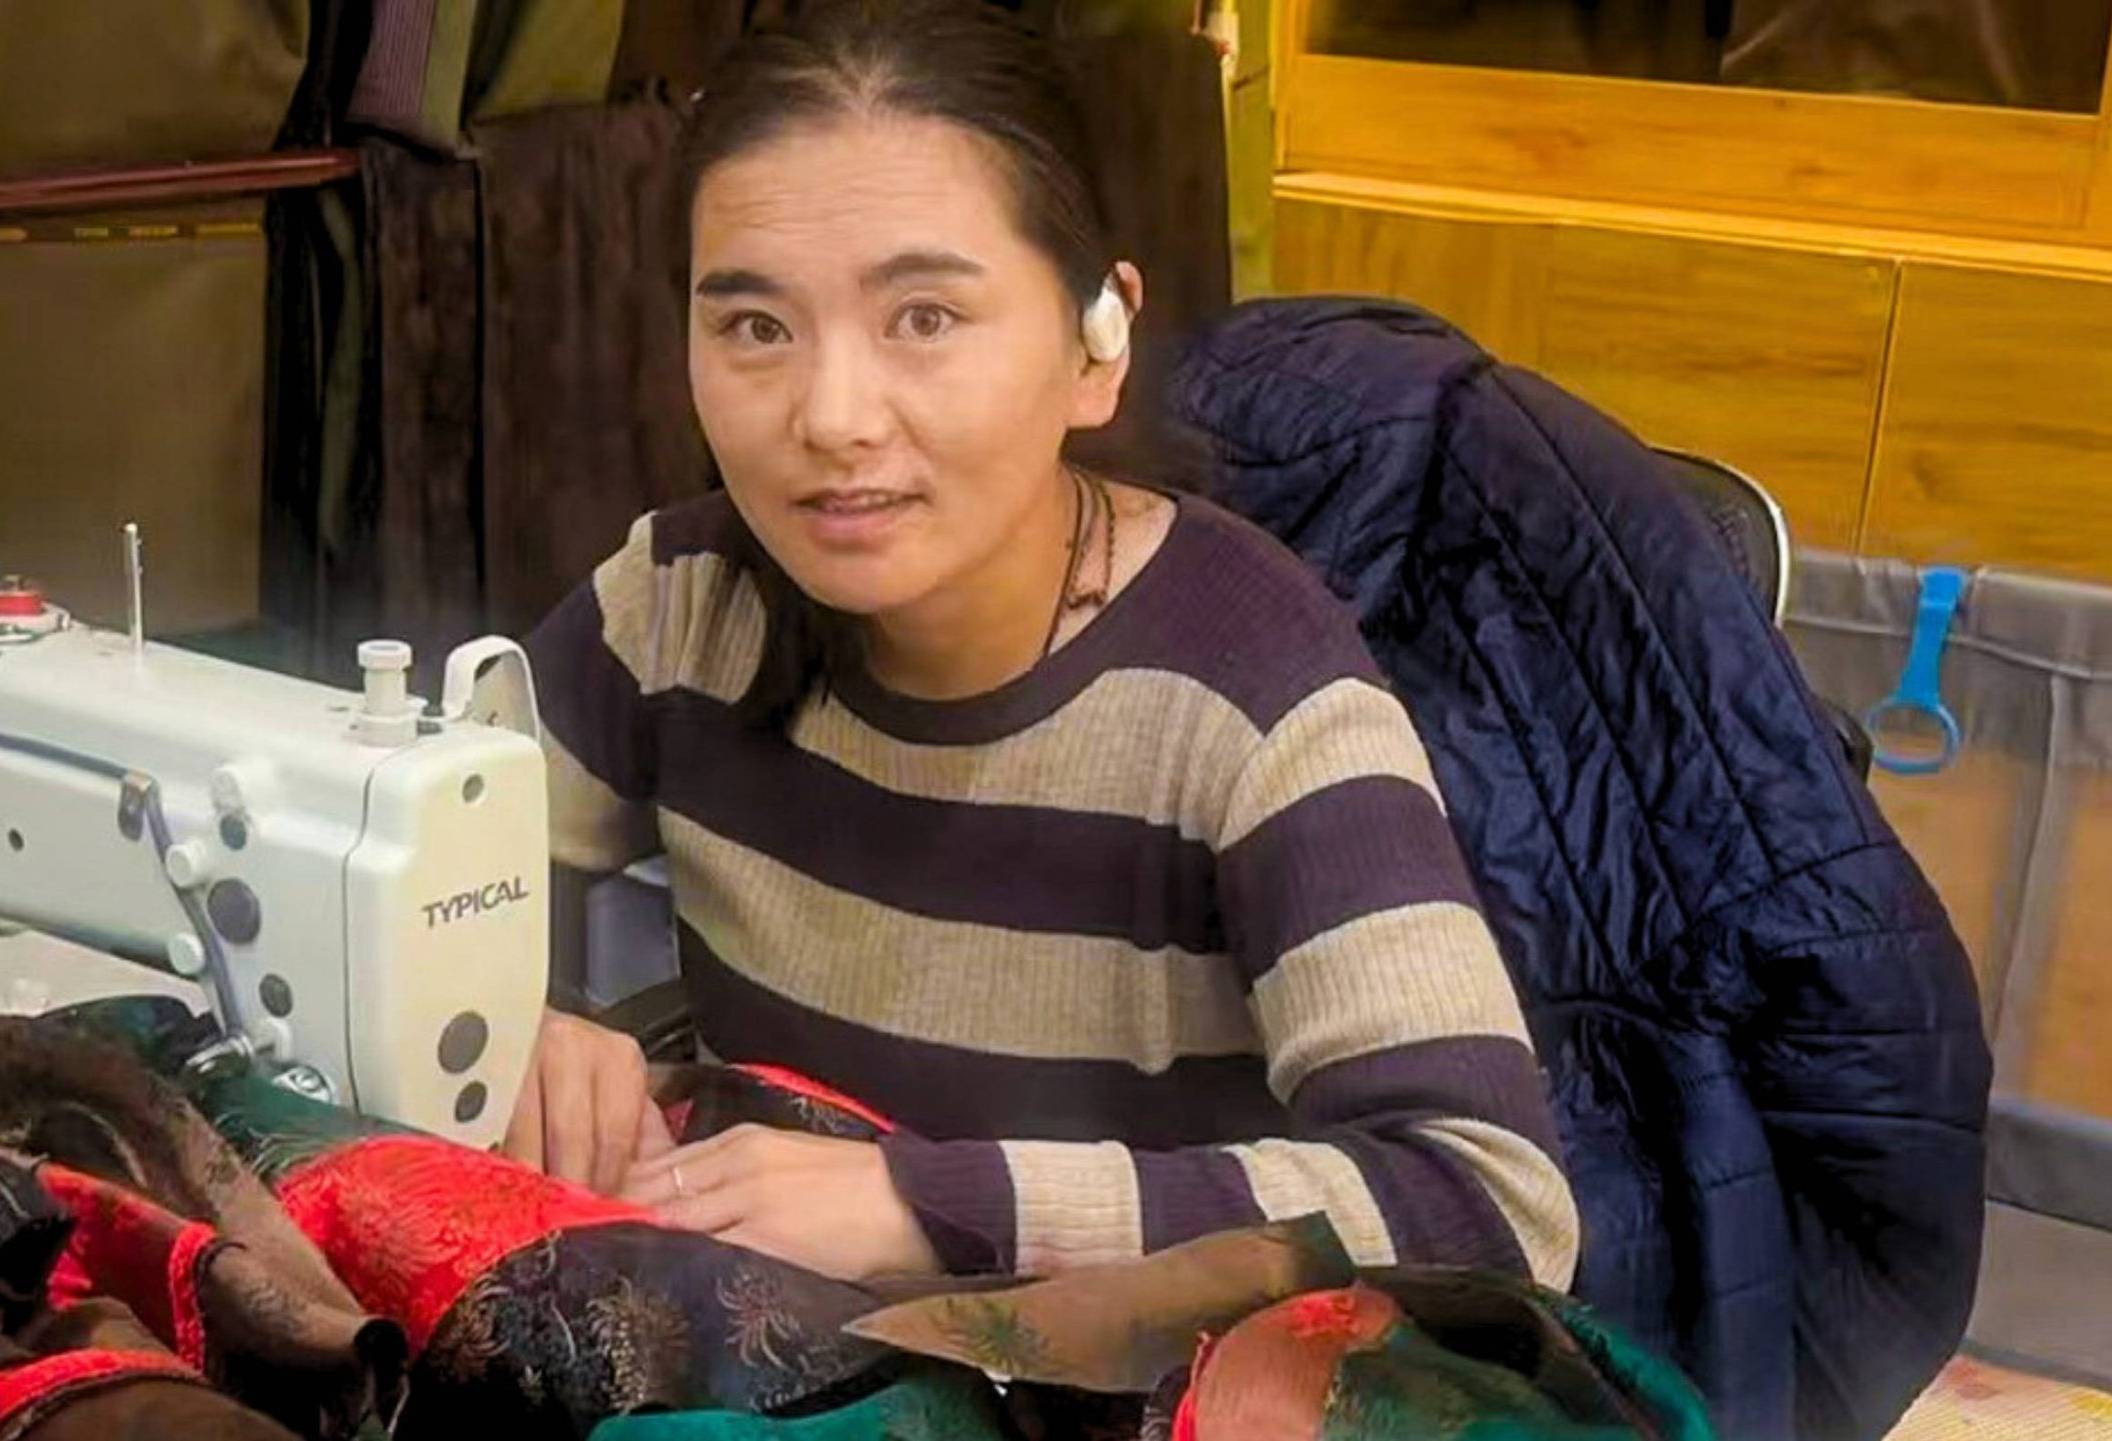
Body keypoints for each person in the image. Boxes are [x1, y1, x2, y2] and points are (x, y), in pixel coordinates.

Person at [500, 0, 1578, 1291]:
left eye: (925, 319)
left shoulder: (1248, 691)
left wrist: (938, 1203)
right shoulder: (675, 606)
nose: (832, 417)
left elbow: (1493, 1205)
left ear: (1094, 343)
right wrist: (513, 1022)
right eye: (754, 328)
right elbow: (398, 865)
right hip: (770, 1355)